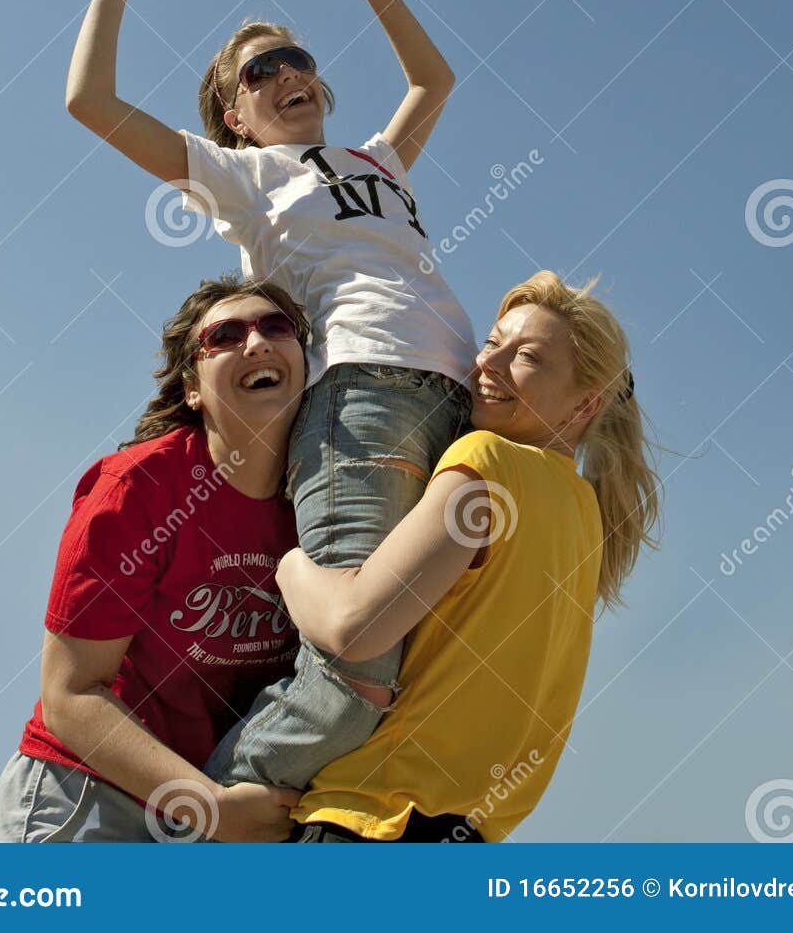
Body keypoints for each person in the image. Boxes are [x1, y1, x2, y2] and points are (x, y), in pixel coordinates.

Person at [64, 0, 476, 793]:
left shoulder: (375, 159)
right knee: (354, 672)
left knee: (433, 665)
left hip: (456, 398)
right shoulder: (245, 175)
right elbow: (89, 103)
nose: (285, 72)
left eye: (295, 59)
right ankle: (201, 831)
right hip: (361, 400)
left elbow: (434, 81)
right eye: (258, 70)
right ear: (233, 117)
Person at [275, 270, 663, 843]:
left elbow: (353, 625)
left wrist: (288, 563)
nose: (489, 366)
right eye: (491, 343)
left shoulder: (488, 460)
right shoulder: (589, 517)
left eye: (526, 357)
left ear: (585, 404)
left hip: (370, 820)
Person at [0, 276, 307, 843]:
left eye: (276, 328)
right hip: (91, 792)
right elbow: (72, 695)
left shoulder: (321, 504)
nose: (256, 343)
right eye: (226, 335)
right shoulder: (139, 489)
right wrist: (209, 806)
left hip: (211, 807)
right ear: (192, 388)